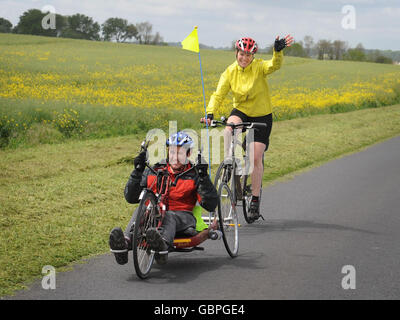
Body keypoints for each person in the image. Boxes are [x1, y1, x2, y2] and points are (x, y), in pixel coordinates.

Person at [201, 35, 293, 222]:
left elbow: (274, 65)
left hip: (262, 115)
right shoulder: (230, 72)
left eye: (248, 55)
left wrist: (277, 51)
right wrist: (210, 113)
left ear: (253, 56)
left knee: (255, 157)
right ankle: (229, 163)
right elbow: (218, 95)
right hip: (241, 110)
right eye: (242, 54)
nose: (244, 58)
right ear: (236, 53)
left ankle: (255, 200)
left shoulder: (259, 67)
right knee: (229, 128)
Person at [109, 131, 218, 265]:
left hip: (183, 217)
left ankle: (162, 247)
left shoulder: (194, 174)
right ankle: (124, 244)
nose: (175, 158)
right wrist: (137, 171)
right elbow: (131, 197)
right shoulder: (155, 170)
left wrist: (204, 177)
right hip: (155, 213)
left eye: (180, 153)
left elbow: (211, 205)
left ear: (189, 154)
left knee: (168, 215)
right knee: (141, 209)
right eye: (172, 152)